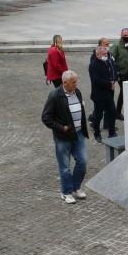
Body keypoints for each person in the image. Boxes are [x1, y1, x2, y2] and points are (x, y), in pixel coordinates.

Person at [41, 70, 89, 204]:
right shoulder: (55, 96)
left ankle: (76, 187)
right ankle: (66, 192)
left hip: (78, 134)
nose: (76, 84)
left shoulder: (77, 92)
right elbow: (46, 117)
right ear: (65, 83)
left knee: (83, 162)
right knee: (65, 167)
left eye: (76, 81)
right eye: (73, 82)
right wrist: (62, 128)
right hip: (63, 137)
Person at [88, 45, 118, 142]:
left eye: (106, 53)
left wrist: (115, 79)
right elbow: (96, 80)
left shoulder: (108, 61)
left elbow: (113, 71)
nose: (106, 55)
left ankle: (112, 132)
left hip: (108, 94)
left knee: (112, 112)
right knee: (98, 115)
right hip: (99, 95)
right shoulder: (93, 65)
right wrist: (109, 84)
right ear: (98, 54)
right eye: (104, 54)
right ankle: (97, 134)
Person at [109, 28, 128, 119]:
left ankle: (119, 111)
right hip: (120, 74)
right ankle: (117, 112)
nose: (127, 37)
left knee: (124, 92)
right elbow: (111, 60)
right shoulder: (116, 46)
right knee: (124, 92)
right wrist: (115, 73)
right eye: (125, 35)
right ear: (121, 35)